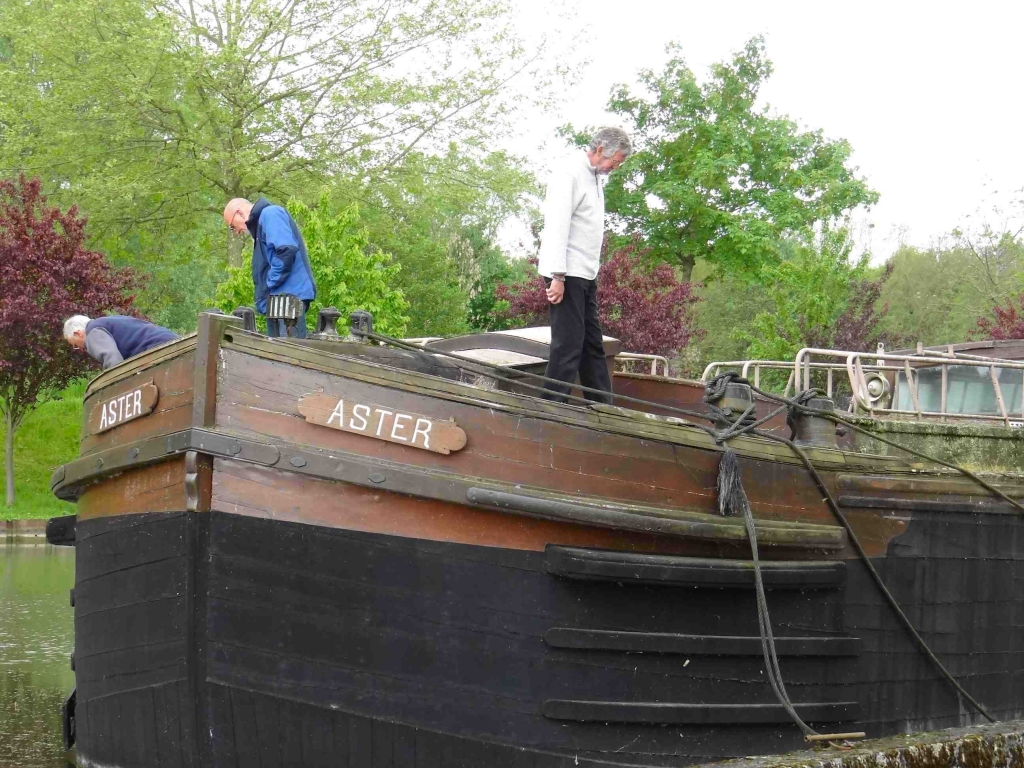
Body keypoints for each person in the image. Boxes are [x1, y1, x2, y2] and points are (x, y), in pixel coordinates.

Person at [537, 126, 632, 403]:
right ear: (601, 150)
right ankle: (550, 408)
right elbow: (557, 225)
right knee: (568, 345)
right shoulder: (569, 172)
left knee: (592, 343)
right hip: (565, 273)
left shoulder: (595, 176)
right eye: (615, 162)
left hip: (585, 274)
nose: (614, 168)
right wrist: (557, 276)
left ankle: (603, 407)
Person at [222, 197, 317, 338]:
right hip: (279, 302)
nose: (236, 232)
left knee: (287, 355)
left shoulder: (270, 214)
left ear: (240, 213)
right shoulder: (262, 225)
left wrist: (269, 284)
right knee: (276, 354)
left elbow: (286, 251)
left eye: (232, 226)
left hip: (287, 302)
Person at [63, 315, 180, 370]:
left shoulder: (93, 332)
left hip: (156, 350)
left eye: (75, 345)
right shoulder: (111, 321)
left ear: (77, 333)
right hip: (174, 341)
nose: (80, 348)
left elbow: (113, 360)